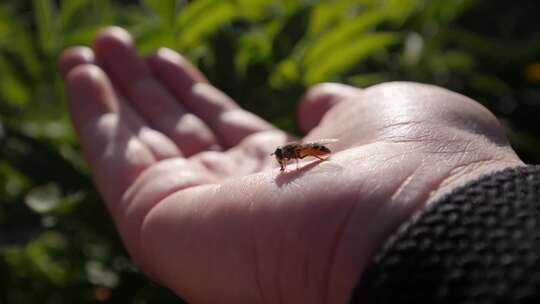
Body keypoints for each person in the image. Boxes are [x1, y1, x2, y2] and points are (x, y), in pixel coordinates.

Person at [59, 26, 539, 303]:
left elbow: (306, 160)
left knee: (314, 154)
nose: (282, 158)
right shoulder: (287, 160)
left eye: (283, 157)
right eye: (284, 157)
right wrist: (444, 195)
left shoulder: (300, 156)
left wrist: (429, 193)